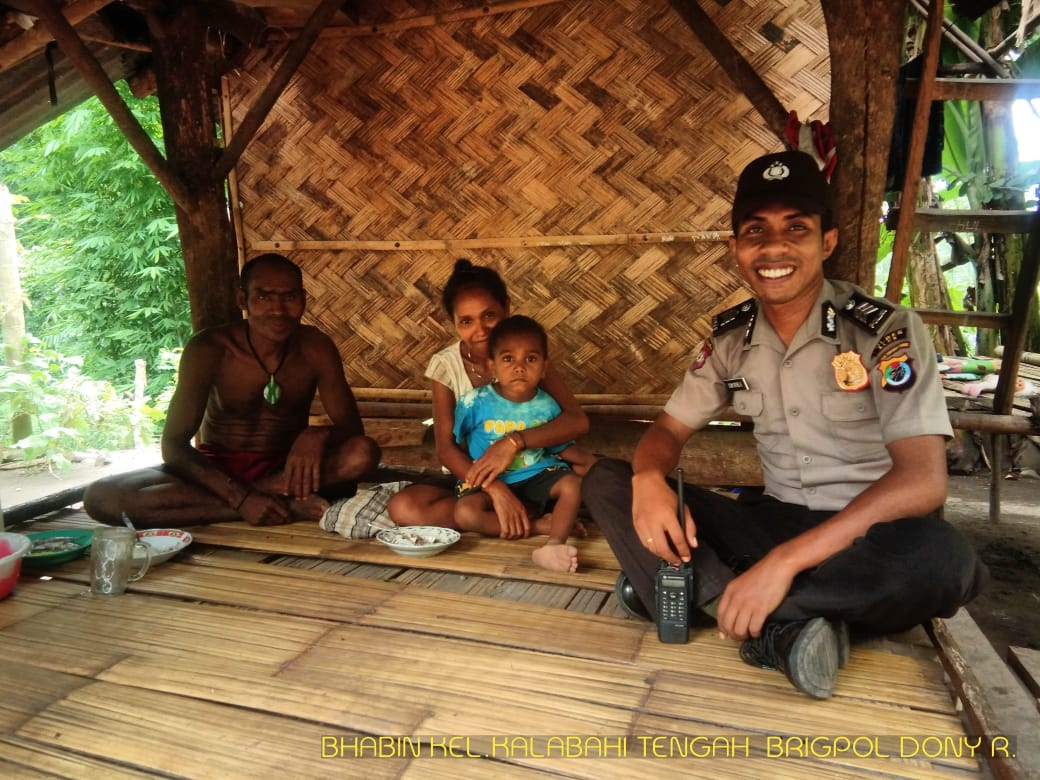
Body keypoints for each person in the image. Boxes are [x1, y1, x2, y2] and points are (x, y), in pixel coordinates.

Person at [582, 150, 988, 699]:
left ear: (826, 242)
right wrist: (649, 478)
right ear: (736, 250)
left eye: (795, 228)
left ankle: (726, 605)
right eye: (756, 231)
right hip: (768, 523)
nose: (774, 247)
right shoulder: (730, 340)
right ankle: (791, 621)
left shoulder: (885, 330)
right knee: (607, 480)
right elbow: (666, 432)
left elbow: (923, 480)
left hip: (866, 537)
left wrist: (782, 565)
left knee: (945, 561)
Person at [84, 253, 381, 529]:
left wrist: (317, 434)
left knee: (362, 454)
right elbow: (173, 445)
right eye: (264, 297)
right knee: (103, 498)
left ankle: (262, 500)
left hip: (286, 472)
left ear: (303, 300)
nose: (278, 310)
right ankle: (284, 507)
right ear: (243, 299)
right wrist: (240, 498)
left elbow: (353, 430)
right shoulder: (209, 349)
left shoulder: (316, 346)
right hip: (216, 473)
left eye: (289, 297)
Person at [387, 259, 595, 531]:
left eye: (489, 315)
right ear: (454, 323)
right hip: (475, 480)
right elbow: (446, 448)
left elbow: (577, 421)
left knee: (588, 475)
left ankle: (510, 515)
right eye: (466, 321)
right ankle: (532, 520)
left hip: (535, 472)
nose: (481, 329)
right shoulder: (445, 366)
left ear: (506, 307)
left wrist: (513, 443)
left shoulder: (528, 357)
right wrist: (496, 489)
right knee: (403, 507)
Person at [453, 315, 587, 572]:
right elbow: (459, 445)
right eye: (508, 359)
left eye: (531, 359)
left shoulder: (548, 404)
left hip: (535, 473)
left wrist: (589, 462)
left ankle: (554, 544)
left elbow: (558, 445)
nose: (519, 367)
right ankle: (538, 526)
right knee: (465, 514)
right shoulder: (474, 403)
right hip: (490, 481)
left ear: (545, 367)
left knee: (573, 485)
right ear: (491, 365)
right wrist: (474, 475)